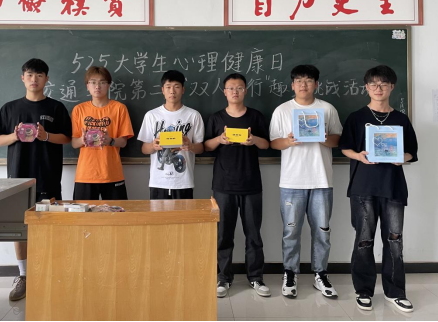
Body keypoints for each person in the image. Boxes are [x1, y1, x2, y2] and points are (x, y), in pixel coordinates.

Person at [339, 65, 418, 313]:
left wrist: (402, 158)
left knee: (394, 241)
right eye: (373, 84)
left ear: (392, 87)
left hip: (393, 187)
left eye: (383, 84)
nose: (378, 88)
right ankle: (363, 291)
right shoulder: (356, 117)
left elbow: (412, 152)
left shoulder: (401, 119)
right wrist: (359, 156)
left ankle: (395, 292)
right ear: (366, 87)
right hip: (363, 187)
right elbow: (344, 147)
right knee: (364, 241)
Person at [0, 58, 72, 301]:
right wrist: (14, 136)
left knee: (49, 225)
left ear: (46, 79)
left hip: (48, 176)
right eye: (29, 75)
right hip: (18, 178)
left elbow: (67, 138)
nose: (34, 79)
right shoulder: (9, 108)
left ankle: (49, 272)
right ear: (22, 78)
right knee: (20, 227)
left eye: (39, 75)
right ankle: (24, 275)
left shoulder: (56, 107)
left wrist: (46, 136)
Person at [269, 65, 343, 300]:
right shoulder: (282, 110)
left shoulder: (327, 109)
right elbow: (273, 143)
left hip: (321, 179)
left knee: (322, 231)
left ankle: (320, 274)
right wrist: (288, 142)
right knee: (290, 231)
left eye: (308, 80)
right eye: (299, 81)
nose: (303, 84)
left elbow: (338, 139)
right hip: (291, 181)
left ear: (316, 84)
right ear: (292, 85)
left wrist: (323, 138)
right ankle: (290, 273)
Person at [205, 73, 271, 299]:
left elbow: (266, 145)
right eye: (231, 88)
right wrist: (219, 140)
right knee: (224, 235)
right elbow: (206, 146)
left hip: (251, 184)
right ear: (224, 92)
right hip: (223, 185)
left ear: (245, 91)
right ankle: (224, 278)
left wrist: (254, 141)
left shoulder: (255, 116)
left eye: (239, 88)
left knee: (253, 234)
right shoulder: (216, 118)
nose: (235, 91)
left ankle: (256, 277)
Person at [138, 70, 204, 200]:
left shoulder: (193, 115)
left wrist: (190, 146)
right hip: (158, 182)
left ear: (183, 90)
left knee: (185, 214)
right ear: (162, 90)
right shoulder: (151, 115)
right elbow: (144, 149)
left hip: (184, 182)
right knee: (158, 215)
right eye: (168, 87)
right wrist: (153, 146)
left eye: (176, 87)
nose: (172, 91)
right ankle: (162, 164)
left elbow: (201, 148)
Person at [72, 66, 134, 201]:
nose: (97, 86)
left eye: (102, 82)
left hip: (112, 173)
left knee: (117, 213)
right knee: (82, 214)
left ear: (109, 85)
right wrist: (82, 140)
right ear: (87, 86)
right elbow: (74, 143)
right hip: (85, 174)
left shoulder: (119, 108)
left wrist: (110, 141)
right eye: (93, 82)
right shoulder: (79, 109)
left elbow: (123, 142)